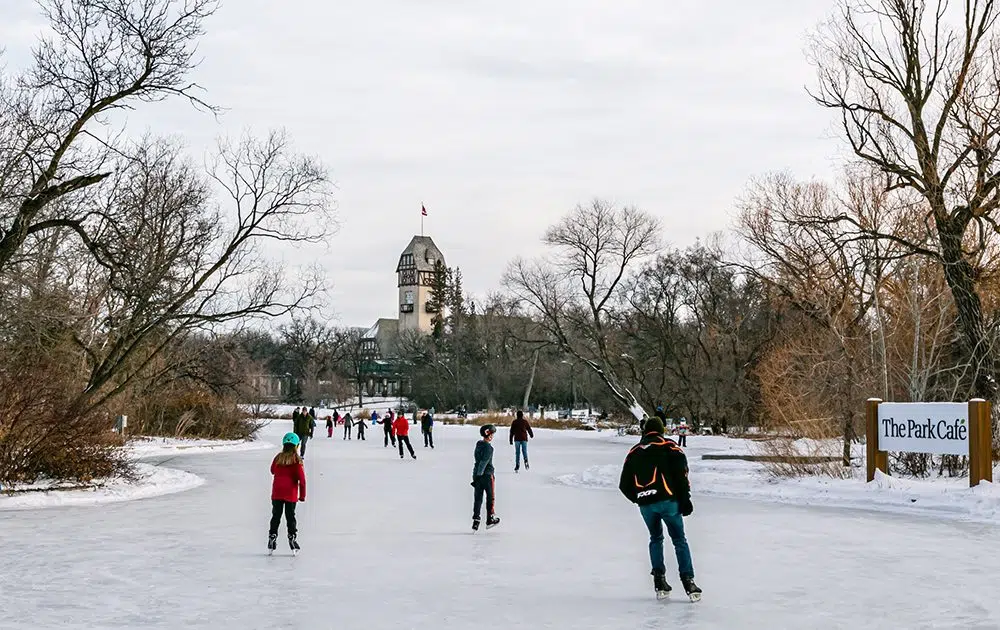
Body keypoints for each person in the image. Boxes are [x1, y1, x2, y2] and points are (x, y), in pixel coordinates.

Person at [618, 416, 701, 602]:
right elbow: (682, 475)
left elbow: (624, 484)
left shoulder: (634, 452)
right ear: (661, 430)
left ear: (645, 431)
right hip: (668, 502)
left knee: (655, 538)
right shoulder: (670, 447)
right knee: (679, 540)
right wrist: (685, 501)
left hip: (646, 506)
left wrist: (639, 497)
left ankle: (659, 580)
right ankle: (688, 581)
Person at [268, 432, 306, 555]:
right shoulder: (297, 460)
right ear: (296, 446)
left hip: (277, 493)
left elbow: (272, 471)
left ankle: (272, 536)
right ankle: (292, 537)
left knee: (276, 516)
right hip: (290, 494)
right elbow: (302, 481)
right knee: (290, 517)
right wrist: (302, 496)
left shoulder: (278, 457)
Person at [471, 424, 500, 531]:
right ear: (488, 435)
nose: (493, 436)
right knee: (490, 497)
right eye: (492, 434)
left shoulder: (478, 445)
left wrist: (475, 477)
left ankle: (476, 520)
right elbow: (483, 462)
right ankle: (490, 519)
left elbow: (478, 462)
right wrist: (479, 475)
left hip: (477, 476)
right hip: (487, 476)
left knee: (478, 498)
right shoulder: (489, 448)